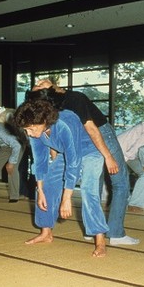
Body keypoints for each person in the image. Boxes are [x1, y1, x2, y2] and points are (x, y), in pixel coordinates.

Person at [27, 80, 139, 246]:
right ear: (48, 92)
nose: (38, 82)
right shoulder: (62, 103)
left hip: (93, 138)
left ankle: (113, 232)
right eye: (38, 86)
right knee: (117, 183)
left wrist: (107, 157)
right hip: (93, 134)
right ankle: (95, 231)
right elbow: (89, 129)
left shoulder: (68, 100)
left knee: (105, 182)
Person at [13, 98, 109, 257]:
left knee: (88, 190)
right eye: (26, 130)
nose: (28, 134)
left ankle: (100, 240)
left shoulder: (65, 123)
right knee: (46, 185)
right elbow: (40, 162)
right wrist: (41, 190)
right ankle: (46, 233)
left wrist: (66, 198)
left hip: (90, 151)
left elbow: (74, 162)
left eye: (30, 129)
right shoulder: (35, 132)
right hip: (67, 154)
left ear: (43, 121)